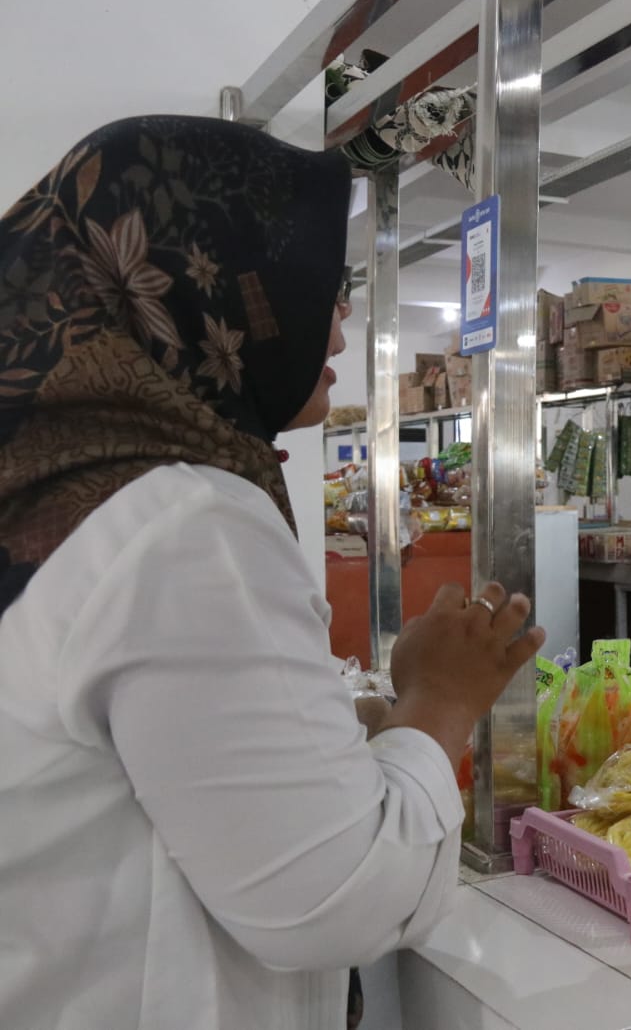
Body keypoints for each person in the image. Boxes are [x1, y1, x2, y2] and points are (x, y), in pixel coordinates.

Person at [0, 116, 543, 1028]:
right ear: (199, 290)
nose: (337, 326)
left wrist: (334, 727)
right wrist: (439, 699)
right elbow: (333, 902)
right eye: (320, 291)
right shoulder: (183, 520)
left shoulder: (62, 482)